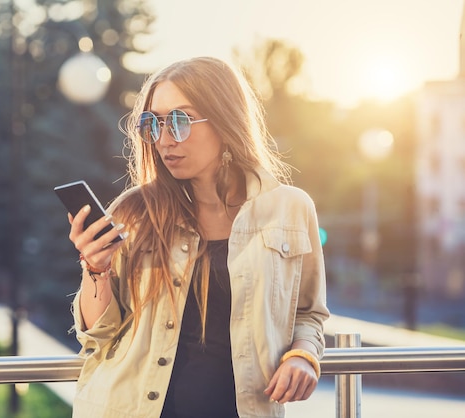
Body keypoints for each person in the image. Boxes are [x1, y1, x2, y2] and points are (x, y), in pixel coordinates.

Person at [65, 56, 329, 418]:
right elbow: (97, 334)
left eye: (180, 120)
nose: (164, 139)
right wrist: (95, 267)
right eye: (153, 123)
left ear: (224, 119)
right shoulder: (135, 211)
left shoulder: (289, 209)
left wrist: (303, 356)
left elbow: (309, 313)